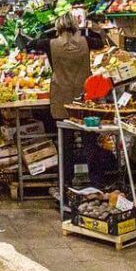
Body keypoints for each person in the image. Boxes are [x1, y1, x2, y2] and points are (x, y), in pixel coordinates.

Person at [32, 13, 106, 186]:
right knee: (89, 140)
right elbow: (103, 42)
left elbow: (31, 44)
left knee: (65, 143)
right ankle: (97, 182)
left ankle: (65, 183)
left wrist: (47, 32)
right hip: (85, 97)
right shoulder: (87, 42)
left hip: (61, 97)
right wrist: (98, 29)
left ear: (58, 27)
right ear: (75, 25)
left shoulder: (49, 44)